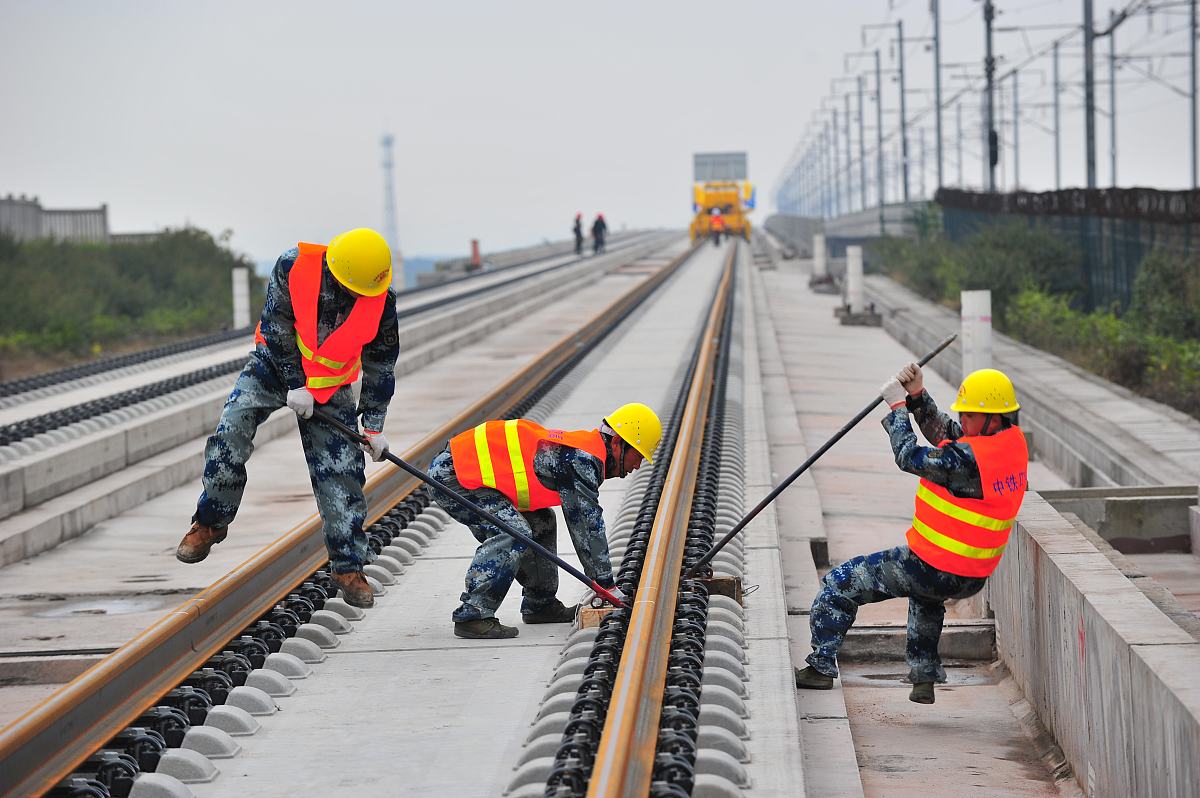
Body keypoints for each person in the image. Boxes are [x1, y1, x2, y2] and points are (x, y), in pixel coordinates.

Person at [175, 228, 400, 609]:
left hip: (328, 386)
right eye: (352, 290)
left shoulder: (381, 299)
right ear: (337, 271)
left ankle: (348, 567)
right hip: (272, 368)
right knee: (231, 433)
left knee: (343, 474)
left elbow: (381, 363)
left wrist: (374, 425)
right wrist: (295, 383)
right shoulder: (293, 266)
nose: (357, 298)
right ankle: (210, 523)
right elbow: (276, 326)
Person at [794, 366, 1028, 704]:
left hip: (932, 565)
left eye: (970, 415)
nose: (962, 419)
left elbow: (909, 456)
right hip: (971, 574)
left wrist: (897, 409)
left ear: (993, 418)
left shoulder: (966, 462)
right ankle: (924, 676)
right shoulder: (1008, 443)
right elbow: (947, 432)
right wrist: (918, 396)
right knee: (926, 598)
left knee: (839, 585)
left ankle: (819, 667)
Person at [429, 403, 662, 639]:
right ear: (617, 443)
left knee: (542, 521)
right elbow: (586, 527)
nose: (637, 466)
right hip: (454, 475)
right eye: (637, 456)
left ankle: (540, 604)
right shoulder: (581, 459)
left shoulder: (584, 452)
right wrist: (606, 585)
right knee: (512, 531)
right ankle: (474, 613)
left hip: (468, 471)